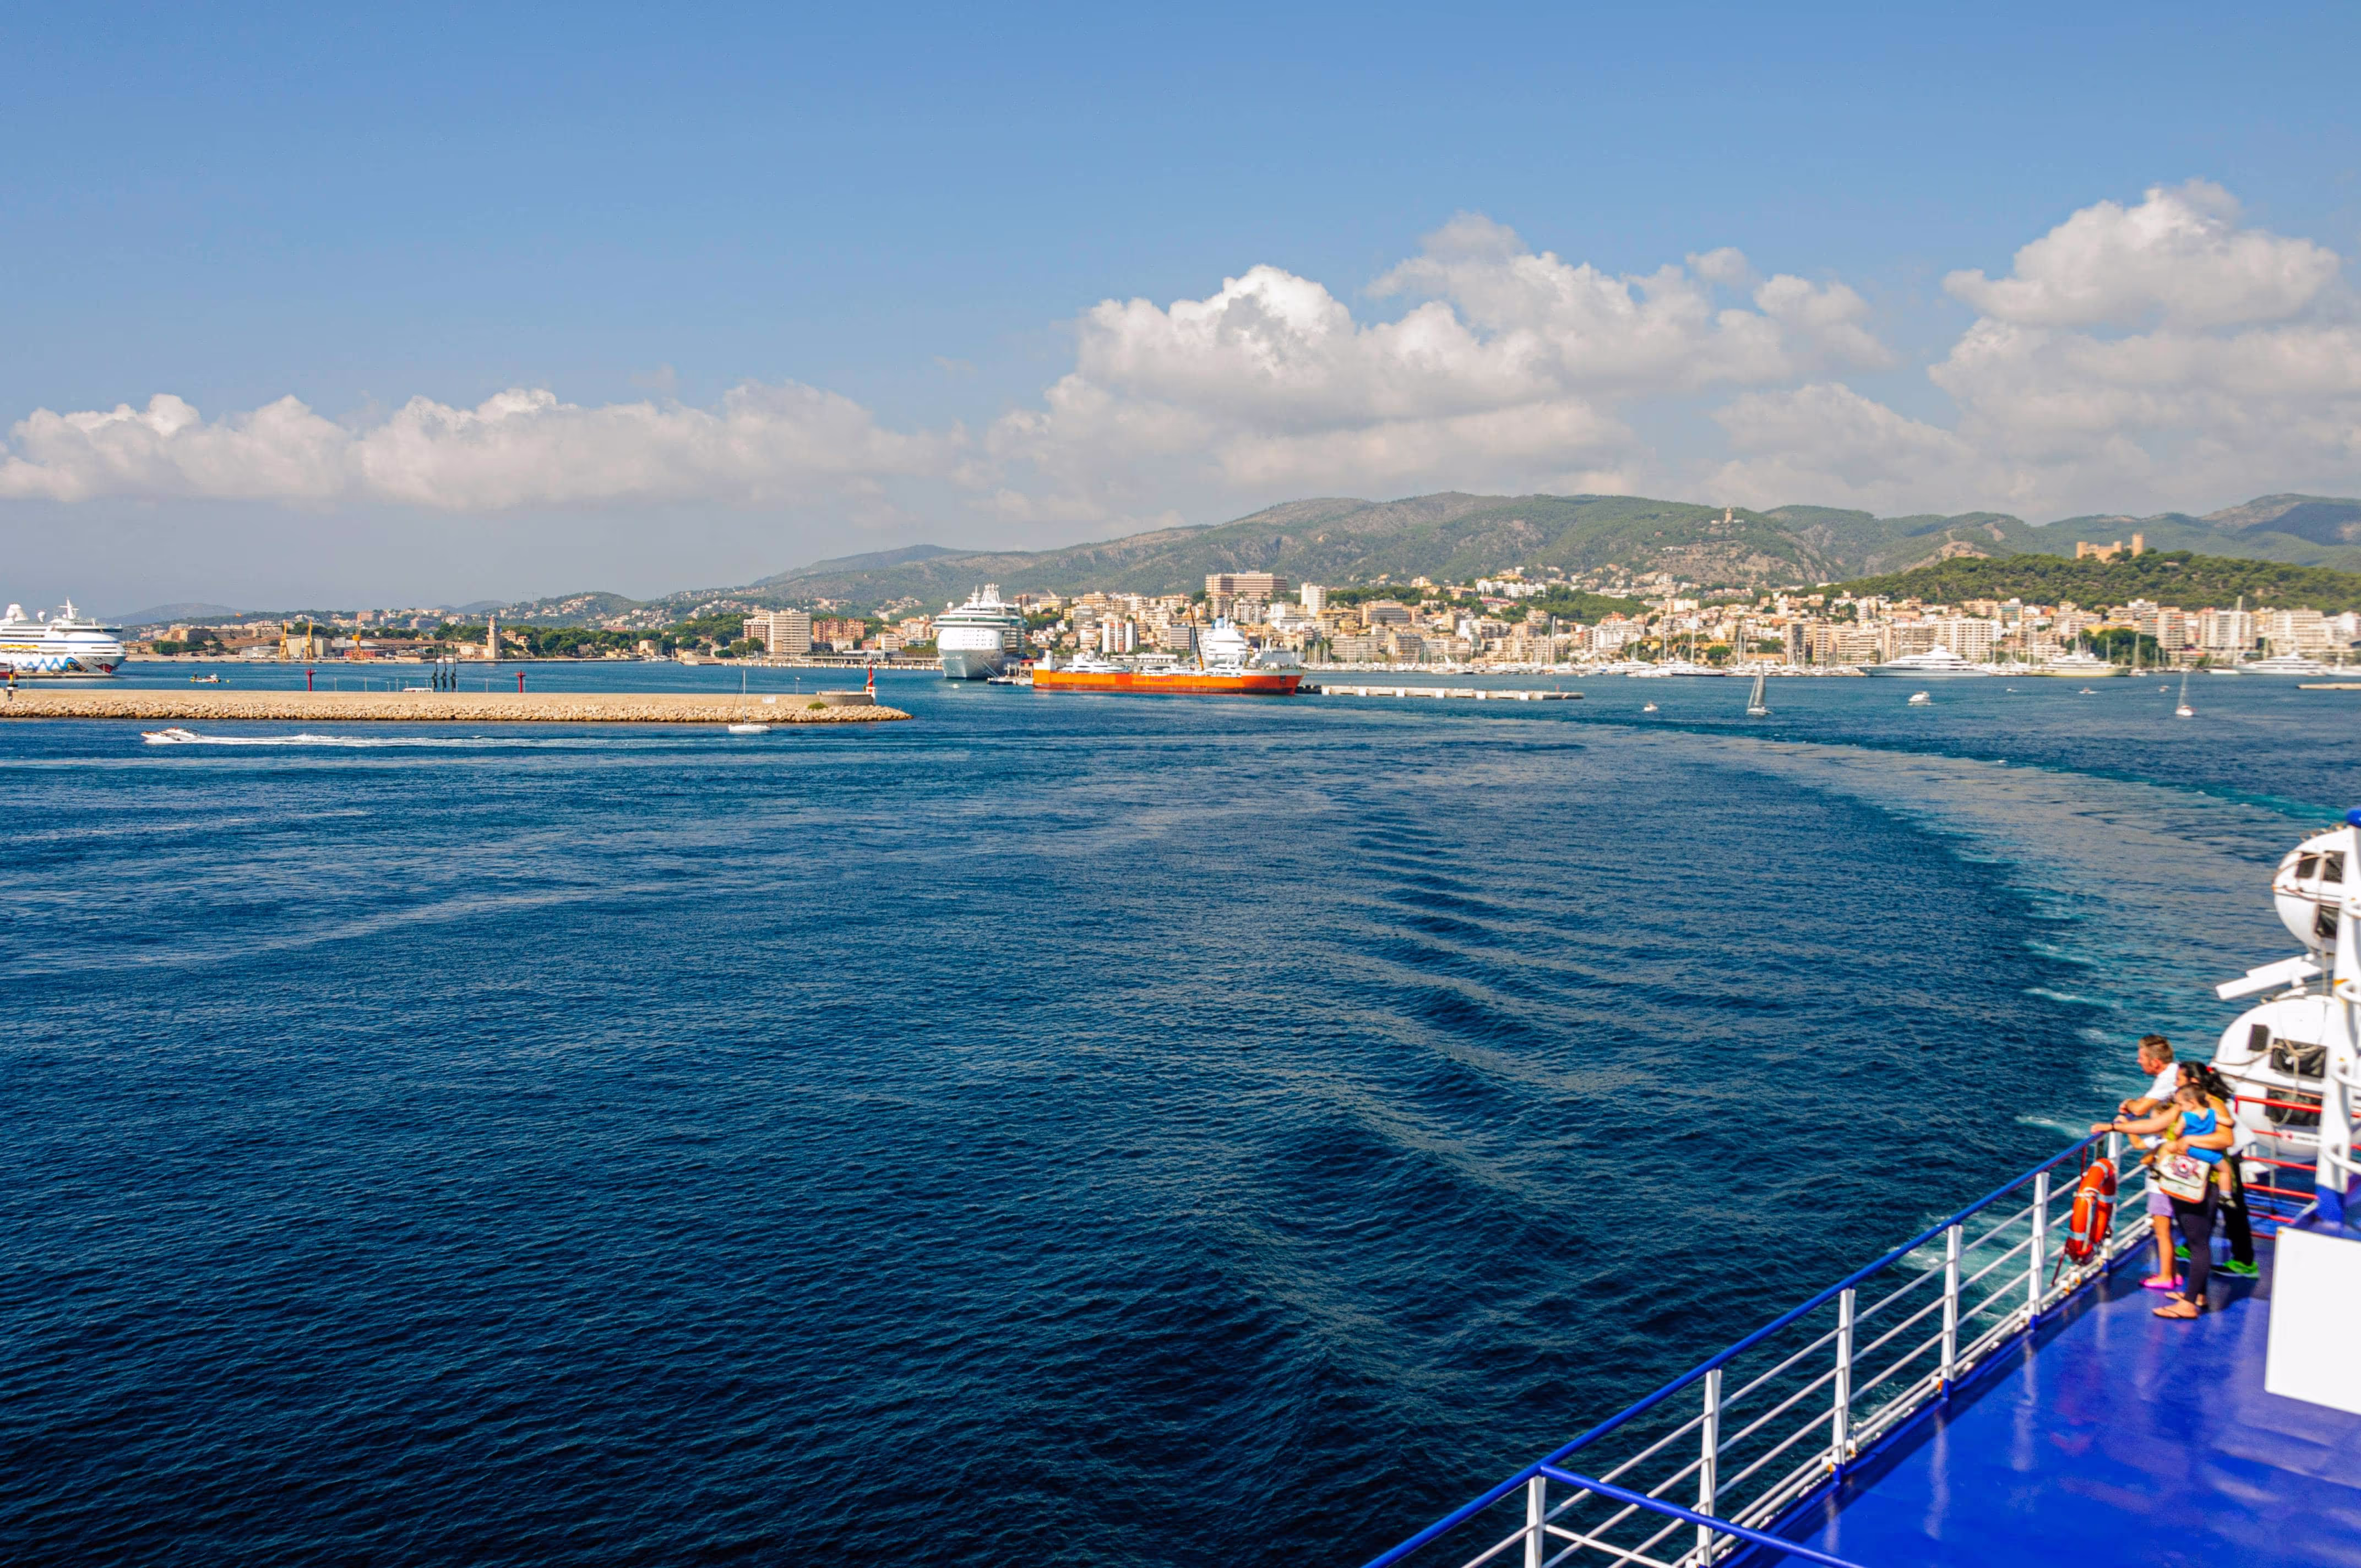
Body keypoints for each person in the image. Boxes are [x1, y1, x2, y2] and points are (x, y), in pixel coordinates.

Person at [2092, 1034, 2183, 1289]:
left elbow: (2141, 1110)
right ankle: (2174, 1273)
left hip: (2163, 1183)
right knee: (2178, 1229)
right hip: (2179, 1175)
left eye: (2141, 1057)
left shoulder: (2168, 1079)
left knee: (2163, 1230)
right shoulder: (2174, 1075)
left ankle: (2168, 1276)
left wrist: (2126, 1109)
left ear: (2155, 1062)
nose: (2137, 1061)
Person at [2150, 1082, 2235, 1319]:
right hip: (2204, 1183)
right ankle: (2199, 1295)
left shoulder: (2198, 1113)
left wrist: (2181, 1142)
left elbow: (2225, 1139)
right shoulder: (2212, 1112)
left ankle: (2188, 1306)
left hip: (2197, 1186)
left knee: (2199, 1245)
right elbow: (2228, 1125)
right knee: (2199, 1241)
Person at [2181, 1060, 2260, 1280]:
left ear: (2193, 1081)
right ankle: (2192, 1245)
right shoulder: (2203, 1099)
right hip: (2223, 1154)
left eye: (2179, 1080)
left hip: (2228, 1155)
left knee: (2232, 1207)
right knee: (2212, 1202)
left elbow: (2226, 1134)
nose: (2176, 1084)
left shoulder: (2209, 1102)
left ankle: (2245, 1262)